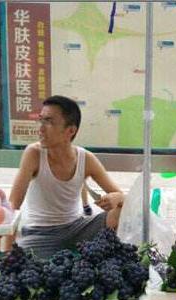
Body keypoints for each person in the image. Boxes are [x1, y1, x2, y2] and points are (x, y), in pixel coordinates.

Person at [9, 95, 124, 259]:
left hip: (76, 229)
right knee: (30, 271)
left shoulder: (86, 159)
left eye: (48, 122)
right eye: (40, 120)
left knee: (120, 213)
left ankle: (114, 262)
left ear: (71, 130)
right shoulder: (33, 154)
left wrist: (117, 197)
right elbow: (12, 205)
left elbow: (125, 199)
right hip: (40, 234)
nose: (40, 128)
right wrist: (6, 254)